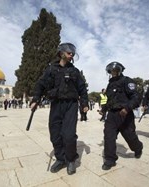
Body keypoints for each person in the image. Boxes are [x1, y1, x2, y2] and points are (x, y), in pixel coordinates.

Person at [30, 42, 89, 175]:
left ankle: (71, 160)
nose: (71, 54)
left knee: (68, 135)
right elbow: (40, 84)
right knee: (55, 134)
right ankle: (61, 159)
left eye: (72, 52)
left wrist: (84, 104)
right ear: (61, 53)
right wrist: (35, 99)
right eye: (69, 52)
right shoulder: (51, 69)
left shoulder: (74, 71)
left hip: (71, 105)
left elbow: (82, 89)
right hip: (56, 105)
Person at [102, 61, 143, 170]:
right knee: (108, 136)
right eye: (111, 71)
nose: (113, 72)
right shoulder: (110, 84)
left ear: (120, 70)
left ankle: (138, 148)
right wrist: (104, 109)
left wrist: (127, 108)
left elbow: (136, 97)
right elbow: (110, 100)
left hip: (125, 114)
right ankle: (110, 159)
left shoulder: (127, 81)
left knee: (130, 137)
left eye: (115, 70)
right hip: (112, 115)